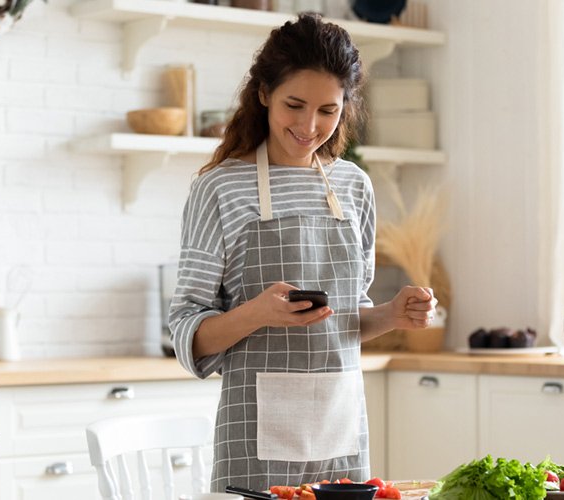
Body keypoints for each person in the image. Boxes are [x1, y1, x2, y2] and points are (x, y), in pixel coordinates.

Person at [169, 13, 437, 493]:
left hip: (340, 431)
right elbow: (188, 332)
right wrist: (257, 313)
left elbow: (345, 322)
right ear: (264, 93)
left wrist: (393, 315)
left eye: (328, 111)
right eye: (295, 104)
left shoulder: (354, 186)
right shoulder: (220, 188)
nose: (310, 126)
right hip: (254, 440)